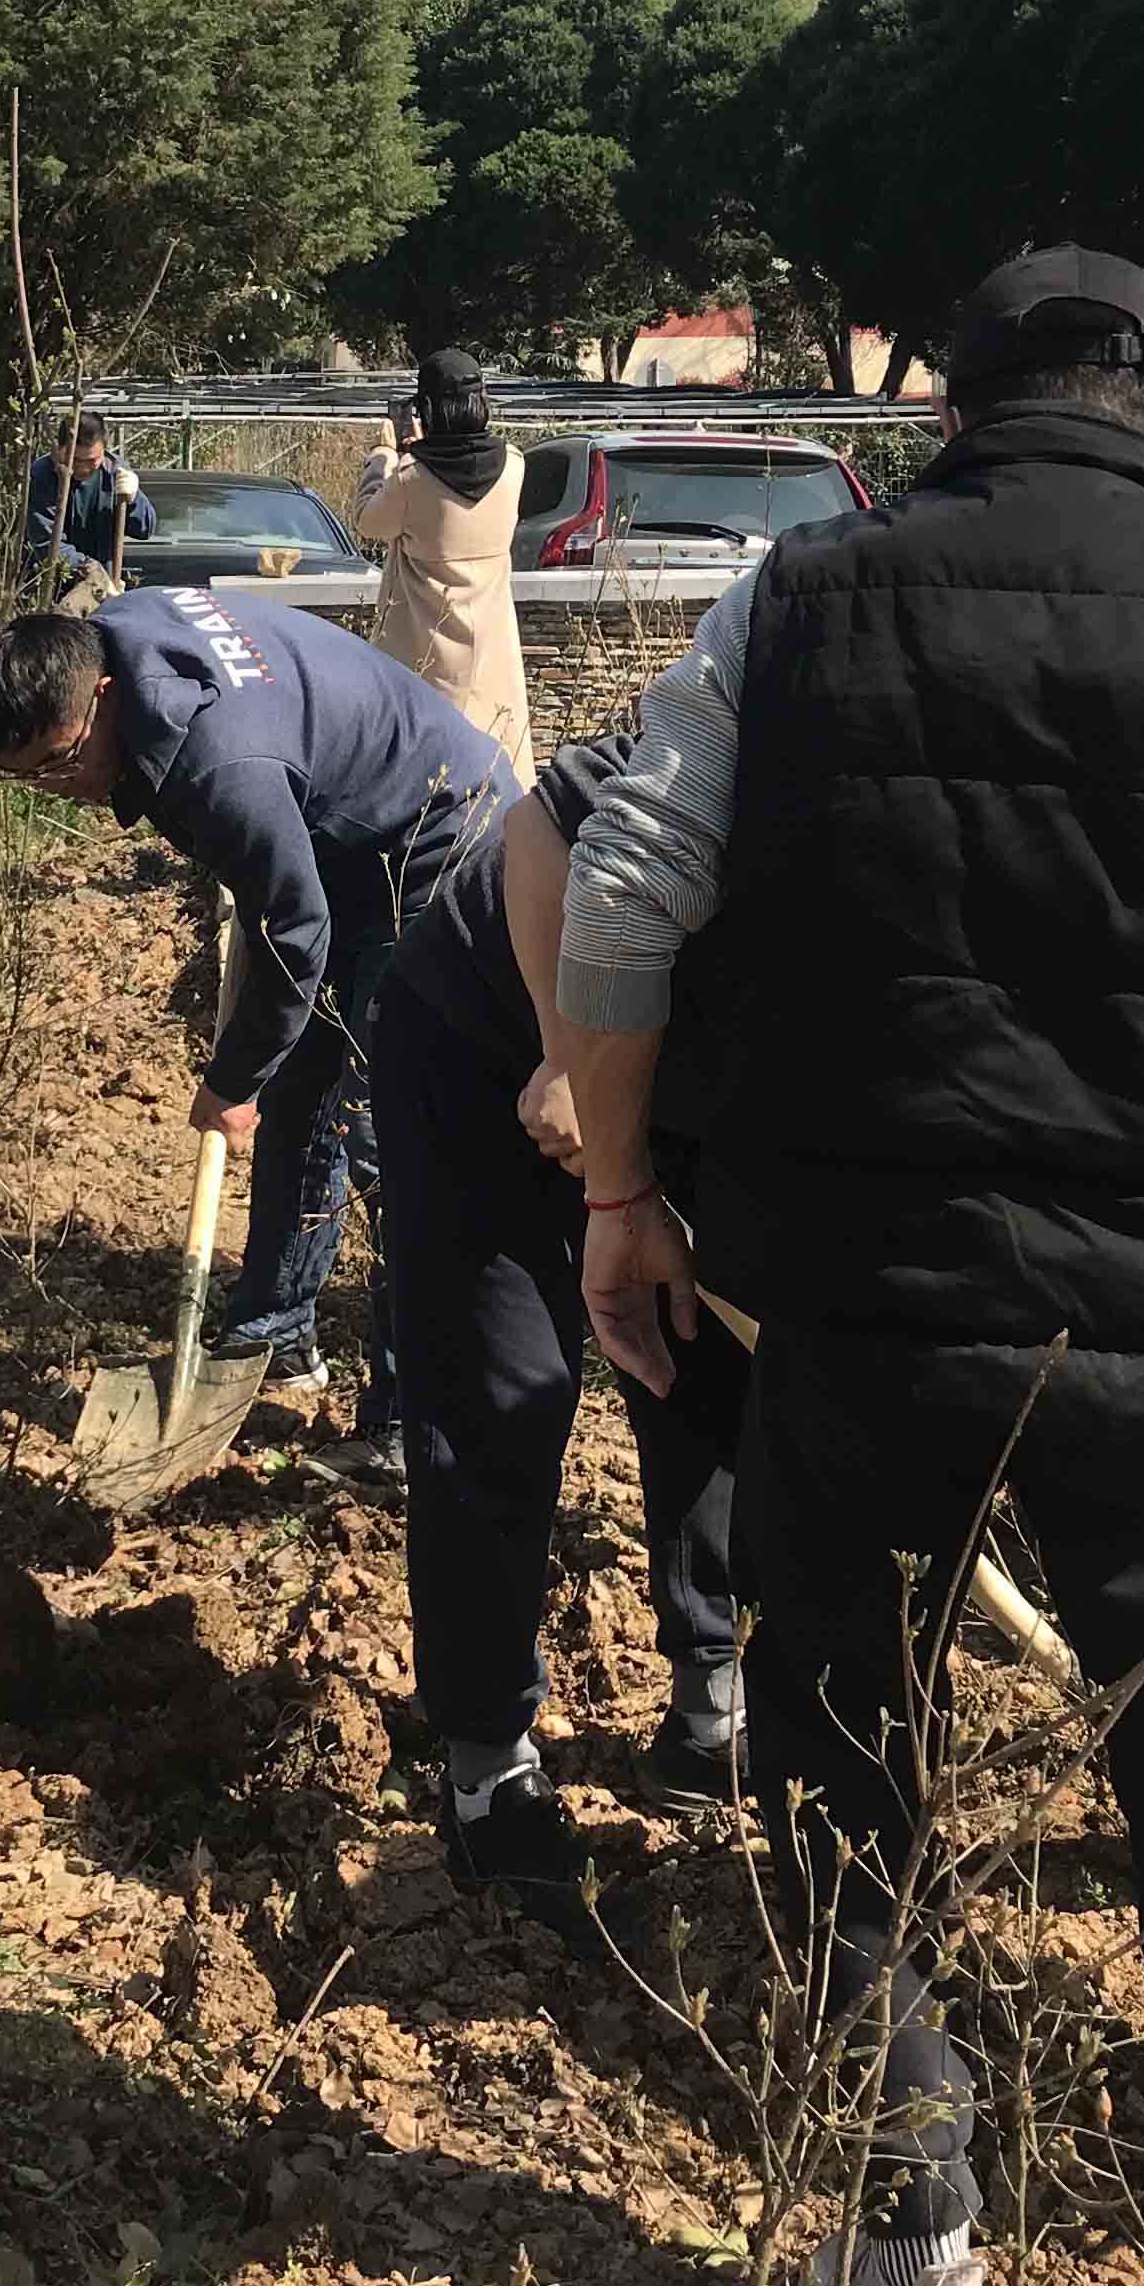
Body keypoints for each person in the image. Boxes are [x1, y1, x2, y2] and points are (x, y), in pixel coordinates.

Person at [557, 246, 1144, 2286]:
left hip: (856, 1309)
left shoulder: (794, 604)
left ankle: (910, 2263)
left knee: (840, 1762)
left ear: (948, 411)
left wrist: (622, 1188)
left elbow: (624, 895)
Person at [0, 587, 515, 1487]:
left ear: (100, 695)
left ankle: (407, 1427)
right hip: (352, 836)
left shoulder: (217, 765)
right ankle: (275, 1331)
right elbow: (283, 906)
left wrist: (232, 1080)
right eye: (26, 778)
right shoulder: (121, 645)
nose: (58, 788)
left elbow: (294, 927)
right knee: (304, 1096)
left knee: (393, 1139)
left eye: (59, 763)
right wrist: (264, 1070)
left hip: (443, 843)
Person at [378, 721, 745, 1949]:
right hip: (491, 1039)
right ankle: (485, 1761)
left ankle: (710, 1698)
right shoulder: (784, 707)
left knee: (701, 1358)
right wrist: (561, 1051)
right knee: (509, 1390)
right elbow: (545, 822)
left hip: (673, 1072)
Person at [355, 348, 533, 777]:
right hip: (492, 651)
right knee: (498, 767)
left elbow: (368, 522)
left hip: (424, 655)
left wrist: (382, 456)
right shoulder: (513, 465)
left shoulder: (411, 475)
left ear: (427, 408)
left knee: (424, 771)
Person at [23, 415, 155, 606]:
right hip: (53, 591)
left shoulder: (114, 471)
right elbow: (48, 544)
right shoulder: (43, 476)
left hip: (102, 596)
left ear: (104, 449)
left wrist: (135, 500)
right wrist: (97, 576)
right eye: (75, 459)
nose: (83, 468)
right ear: (60, 450)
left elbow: (145, 530)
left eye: (92, 460)